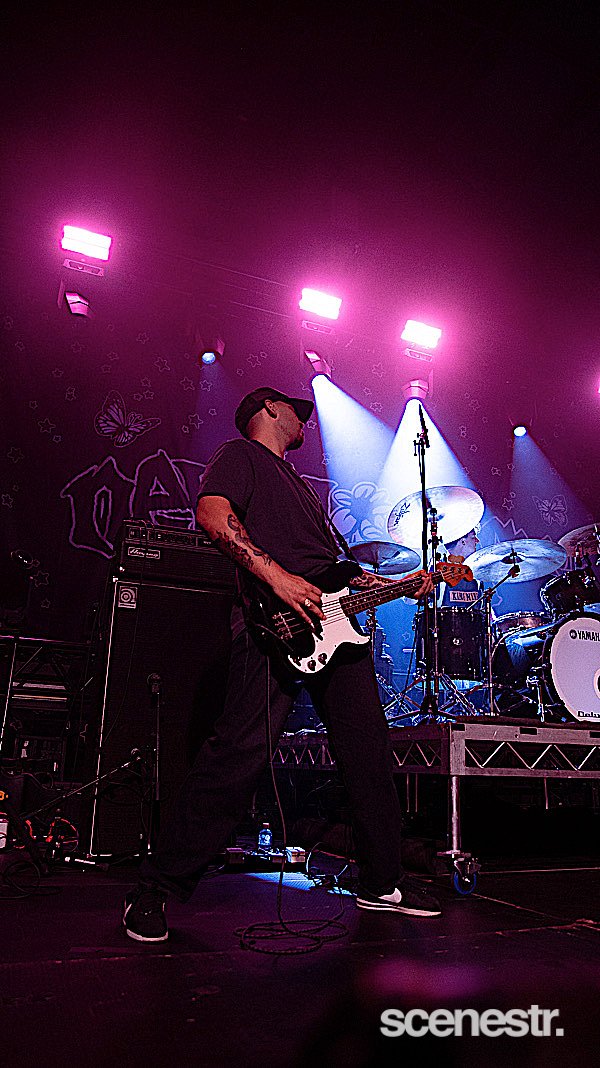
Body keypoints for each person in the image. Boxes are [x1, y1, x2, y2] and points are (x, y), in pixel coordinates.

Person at [122, 386, 441, 942]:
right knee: (238, 753)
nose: (305, 421)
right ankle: (155, 888)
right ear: (270, 409)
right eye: (298, 410)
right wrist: (279, 579)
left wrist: (384, 585)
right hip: (274, 621)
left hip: (334, 626)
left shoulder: (301, 487)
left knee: (368, 753)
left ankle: (382, 881)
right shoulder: (241, 456)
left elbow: (330, 570)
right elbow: (212, 515)